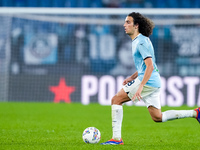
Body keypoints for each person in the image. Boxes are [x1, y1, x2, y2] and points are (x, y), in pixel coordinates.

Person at [100, 12, 200, 145]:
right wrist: (132, 77)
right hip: (154, 81)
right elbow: (144, 66)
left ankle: (116, 139)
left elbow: (150, 66)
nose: (124, 25)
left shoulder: (140, 42)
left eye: (128, 22)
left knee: (116, 100)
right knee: (157, 117)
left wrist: (140, 86)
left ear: (136, 26)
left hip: (148, 81)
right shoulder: (140, 40)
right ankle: (195, 113)